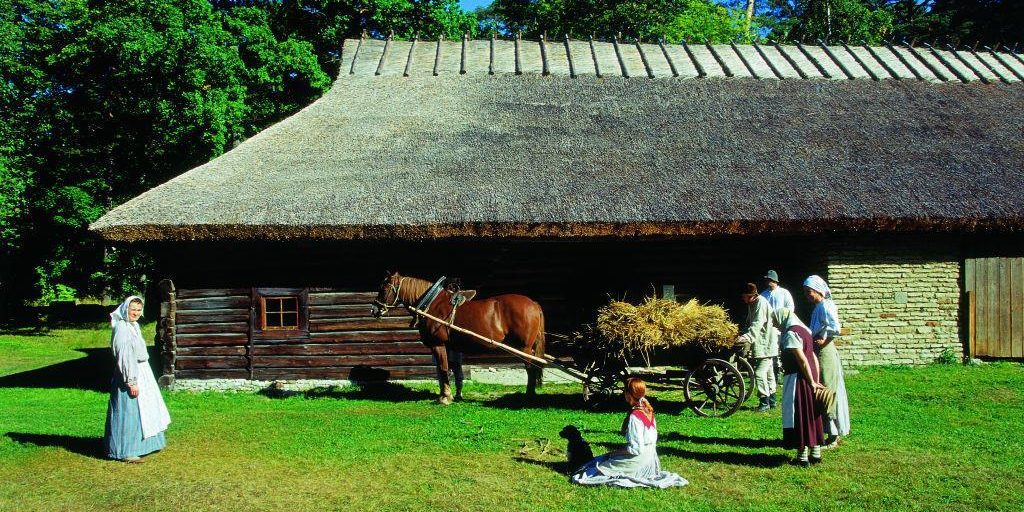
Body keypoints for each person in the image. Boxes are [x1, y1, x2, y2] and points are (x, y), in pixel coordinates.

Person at [571, 378, 687, 488]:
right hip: (651, 459)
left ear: (628, 394)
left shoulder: (635, 417)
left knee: (595, 469)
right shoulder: (648, 410)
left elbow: (636, 450)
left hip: (639, 460)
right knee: (603, 459)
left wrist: (614, 453)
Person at [104, 296, 171, 463]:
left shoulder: (134, 326)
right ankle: (126, 450)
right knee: (129, 411)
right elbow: (124, 356)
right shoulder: (122, 327)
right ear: (125, 309)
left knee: (145, 409)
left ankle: (145, 445)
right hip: (130, 374)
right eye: (132, 309)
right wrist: (131, 381)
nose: (135, 312)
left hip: (142, 370)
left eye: (138, 310)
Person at [771, 308, 826, 466]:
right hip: (809, 376)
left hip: (798, 379)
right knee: (812, 413)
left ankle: (802, 456)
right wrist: (816, 378)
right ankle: (815, 452)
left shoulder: (791, 333)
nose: (775, 324)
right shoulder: (805, 330)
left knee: (800, 414)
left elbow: (802, 360)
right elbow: (813, 357)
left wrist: (811, 380)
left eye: (776, 320)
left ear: (783, 318)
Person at [803, 275, 851, 449]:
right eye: (806, 293)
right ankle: (826, 431)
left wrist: (825, 340)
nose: (807, 296)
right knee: (822, 387)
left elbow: (835, 327)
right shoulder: (818, 307)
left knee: (828, 389)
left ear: (818, 290)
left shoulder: (826, 305)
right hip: (819, 351)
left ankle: (834, 435)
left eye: (809, 292)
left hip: (826, 352)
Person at [738, 283, 779, 412]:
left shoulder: (760, 303)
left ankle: (764, 402)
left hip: (765, 342)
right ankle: (772, 399)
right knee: (769, 371)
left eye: (744, 296)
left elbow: (757, 323)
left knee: (760, 373)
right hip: (765, 342)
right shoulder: (753, 303)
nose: (743, 299)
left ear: (750, 296)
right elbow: (750, 322)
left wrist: (747, 337)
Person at [761, 270, 795, 383]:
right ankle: (773, 372)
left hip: (781, 326)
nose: (767, 282)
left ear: (774, 280)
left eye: (769, 280)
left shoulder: (784, 293)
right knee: (771, 349)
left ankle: (781, 371)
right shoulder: (763, 294)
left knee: (781, 349)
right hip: (768, 327)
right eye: (766, 280)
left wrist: (783, 321)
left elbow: (790, 308)